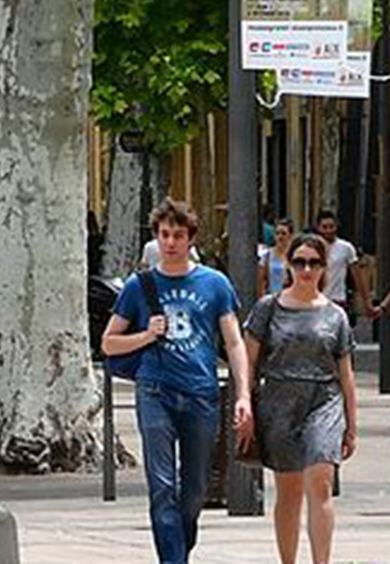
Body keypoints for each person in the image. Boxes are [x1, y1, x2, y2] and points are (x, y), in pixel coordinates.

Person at [102, 198, 253, 564]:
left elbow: (233, 341)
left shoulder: (214, 284)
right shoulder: (140, 287)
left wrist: (243, 393)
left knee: (196, 489)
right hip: (155, 391)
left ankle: (177, 550)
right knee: (162, 485)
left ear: (191, 239)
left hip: (201, 393)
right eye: (165, 235)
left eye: (178, 235)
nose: (170, 243)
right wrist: (145, 336)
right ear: (156, 238)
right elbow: (108, 342)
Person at [249, 233, 358, 564]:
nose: (306, 269)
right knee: (289, 490)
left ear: (324, 267)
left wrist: (351, 425)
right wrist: (244, 403)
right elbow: (248, 361)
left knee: (320, 483)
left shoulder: (335, 316)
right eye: (299, 262)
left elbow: (346, 374)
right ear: (288, 265)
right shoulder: (268, 308)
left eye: (314, 262)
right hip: (279, 403)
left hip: (324, 400)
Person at [313, 211, 358, 318]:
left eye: (331, 227)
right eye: (324, 227)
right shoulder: (312, 247)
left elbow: (356, 274)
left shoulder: (346, 247)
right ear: (318, 228)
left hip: (338, 300)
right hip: (316, 300)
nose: (328, 230)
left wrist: (364, 300)